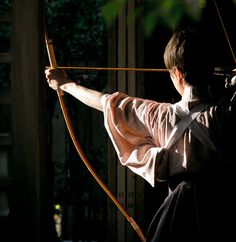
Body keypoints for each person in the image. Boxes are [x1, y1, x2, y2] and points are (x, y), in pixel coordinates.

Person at [45, 28, 236, 242]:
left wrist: (65, 84)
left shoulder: (160, 116)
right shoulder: (225, 115)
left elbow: (105, 102)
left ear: (178, 74)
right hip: (222, 221)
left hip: (177, 221)